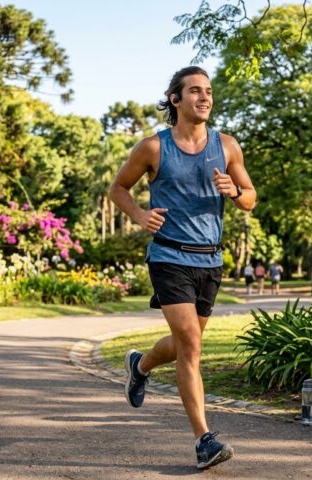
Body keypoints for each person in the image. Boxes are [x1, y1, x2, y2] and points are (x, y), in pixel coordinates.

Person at [108, 66, 256, 469]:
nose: (204, 97)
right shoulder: (153, 148)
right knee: (190, 345)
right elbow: (118, 188)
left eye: (208, 91)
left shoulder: (226, 146)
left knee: (184, 344)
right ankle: (203, 441)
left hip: (210, 258)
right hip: (169, 255)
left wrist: (236, 190)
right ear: (176, 99)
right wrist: (139, 214)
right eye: (195, 91)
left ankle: (140, 365)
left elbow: (251, 197)